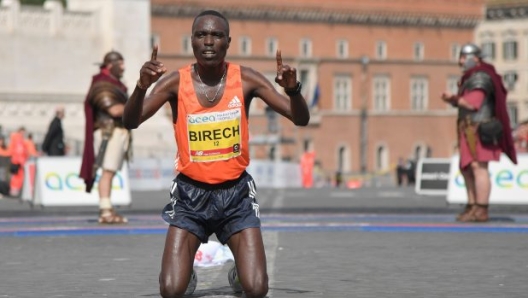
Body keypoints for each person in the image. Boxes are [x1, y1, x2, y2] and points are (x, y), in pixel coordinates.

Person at [122, 10, 310, 298]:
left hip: (235, 196)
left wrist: (293, 90)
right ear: (192, 42)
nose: (208, 41)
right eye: (201, 35)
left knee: (256, 289)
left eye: (216, 35)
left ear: (228, 42)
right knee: (171, 290)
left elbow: (300, 119)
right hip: (190, 197)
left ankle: (237, 273)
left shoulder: (246, 79)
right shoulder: (175, 82)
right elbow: (131, 120)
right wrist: (140, 87)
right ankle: (187, 275)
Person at [441, 43, 517, 222]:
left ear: (474, 58)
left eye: (463, 57)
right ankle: (472, 205)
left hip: (480, 128)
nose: (460, 61)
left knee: (479, 167)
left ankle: (481, 208)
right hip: (468, 127)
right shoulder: (470, 77)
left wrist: (453, 98)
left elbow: (473, 103)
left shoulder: (481, 76)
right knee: (467, 168)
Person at [80, 51, 131, 224]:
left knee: (110, 171)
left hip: (117, 131)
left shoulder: (115, 84)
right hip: (108, 132)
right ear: (111, 65)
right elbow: (114, 110)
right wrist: (139, 106)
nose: (123, 67)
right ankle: (105, 210)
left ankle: (107, 207)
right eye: (120, 64)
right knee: (107, 172)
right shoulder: (101, 84)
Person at [8, 127, 29, 197]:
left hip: (16, 160)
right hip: (18, 161)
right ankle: (14, 190)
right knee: (17, 176)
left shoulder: (16, 139)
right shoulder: (18, 140)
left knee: (15, 176)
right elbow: (19, 151)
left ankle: (14, 189)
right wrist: (22, 160)